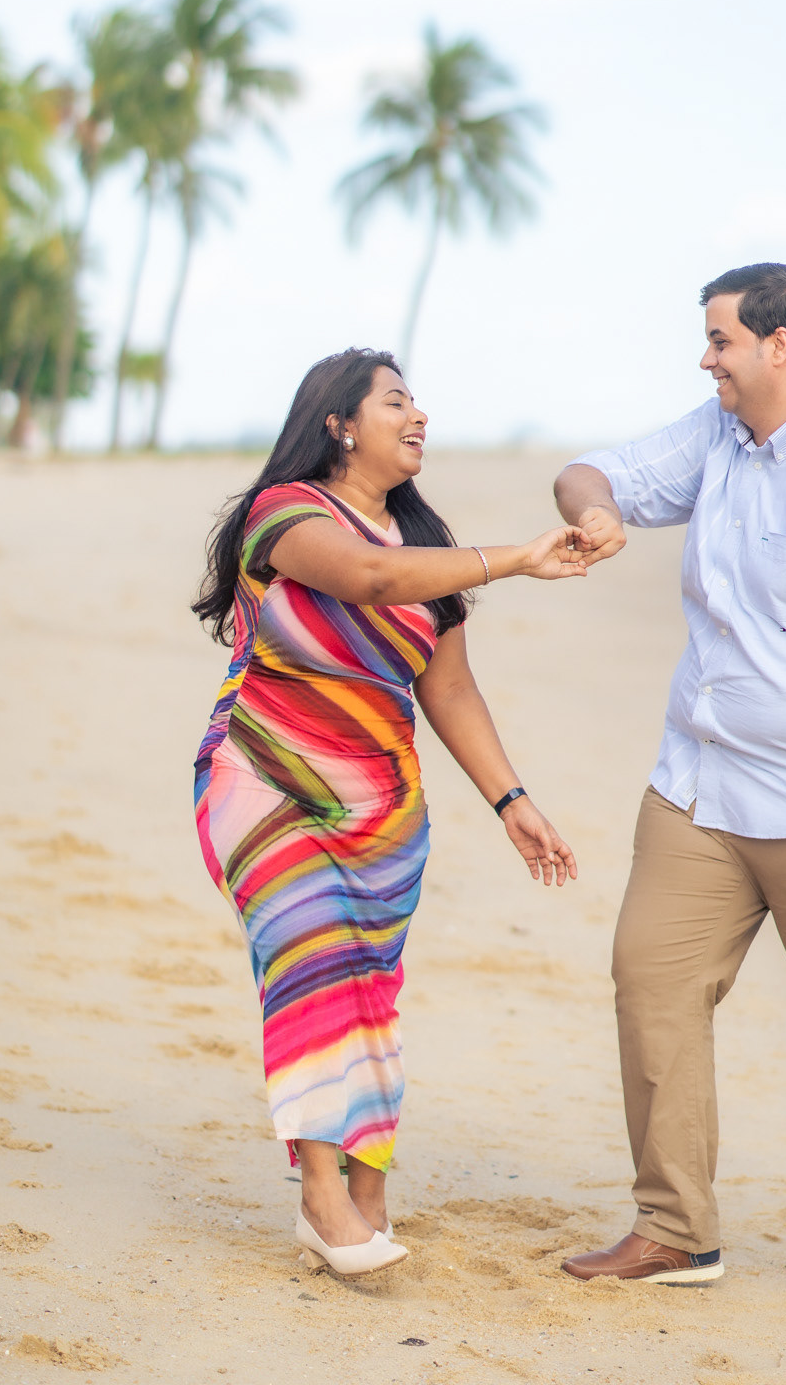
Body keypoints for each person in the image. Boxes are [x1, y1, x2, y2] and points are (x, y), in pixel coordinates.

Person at [553, 264, 786, 1307]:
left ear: (778, 346)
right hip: (701, 784)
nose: (704, 359)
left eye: (719, 340)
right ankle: (674, 1229)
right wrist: (597, 516)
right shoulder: (719, 436)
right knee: (651, 980)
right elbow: (590, 472)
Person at [192, 347, 585, 1278]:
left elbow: (448, 688)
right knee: (311, 968)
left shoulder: (421, 542)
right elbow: (366, 579)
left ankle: (367, 1191)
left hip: (384, 808)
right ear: (339, 423)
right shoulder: (284, 513)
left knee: (368, 991)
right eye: (395, 402)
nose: (417, 418)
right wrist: (517, 558)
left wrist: (512, 801)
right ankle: (321, 1198)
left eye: (418, 404)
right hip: (267, 782)